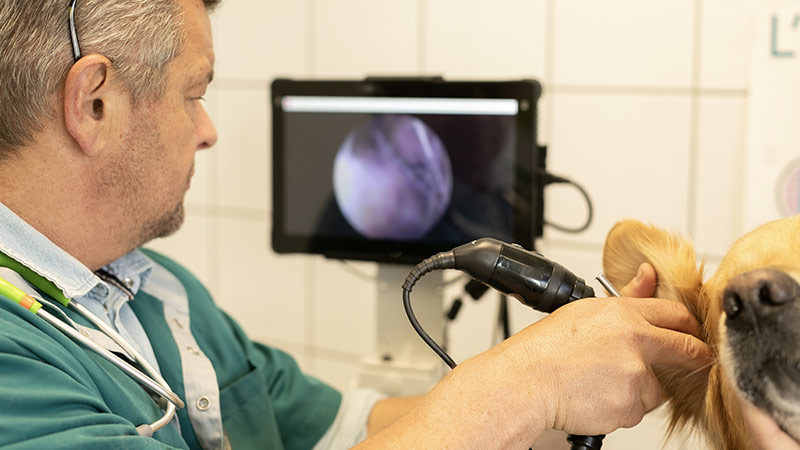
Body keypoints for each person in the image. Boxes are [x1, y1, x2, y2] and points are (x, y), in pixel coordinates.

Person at [0, 0, 721, 448]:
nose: (209, 129)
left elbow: (350, 431)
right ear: (93, 102)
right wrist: (522, 386)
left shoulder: (155, 291)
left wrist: (564, 385)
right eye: (194, 95)